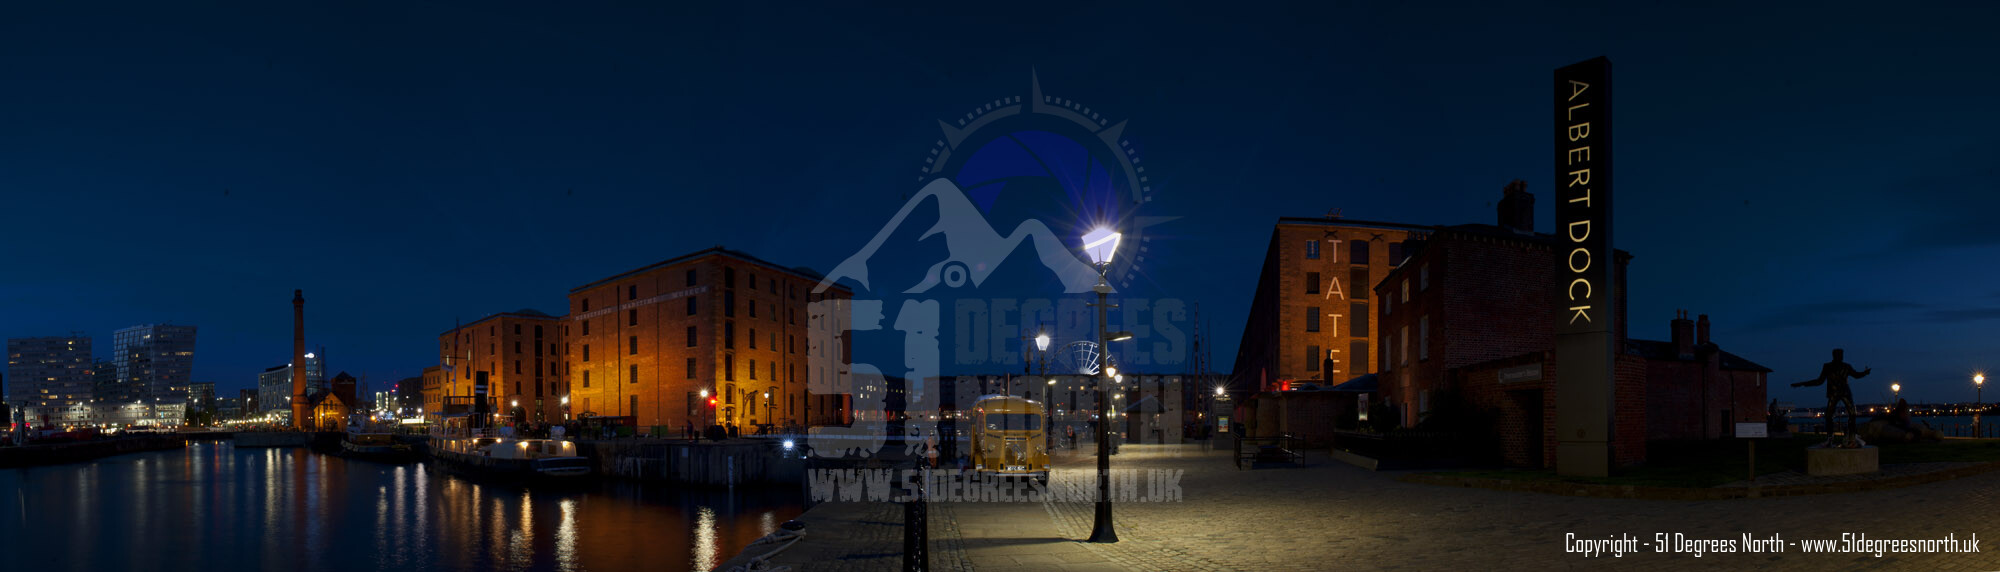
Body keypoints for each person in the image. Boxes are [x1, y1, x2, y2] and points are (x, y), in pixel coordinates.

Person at [1792, 348, 1872, 444]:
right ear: (1834, 356)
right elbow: (1819, 381)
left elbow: (1856, 375)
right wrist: (1803, 383)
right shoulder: (1827, 366)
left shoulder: (1846, 366)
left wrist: (1864, 373)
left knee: (1852, 414)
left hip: (1844, 393)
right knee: (1829, 416)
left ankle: (1852, 436)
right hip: (1834, 393)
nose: (1841, 357)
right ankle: (1830, 438)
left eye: (1842, 355)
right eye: (1840, 355)